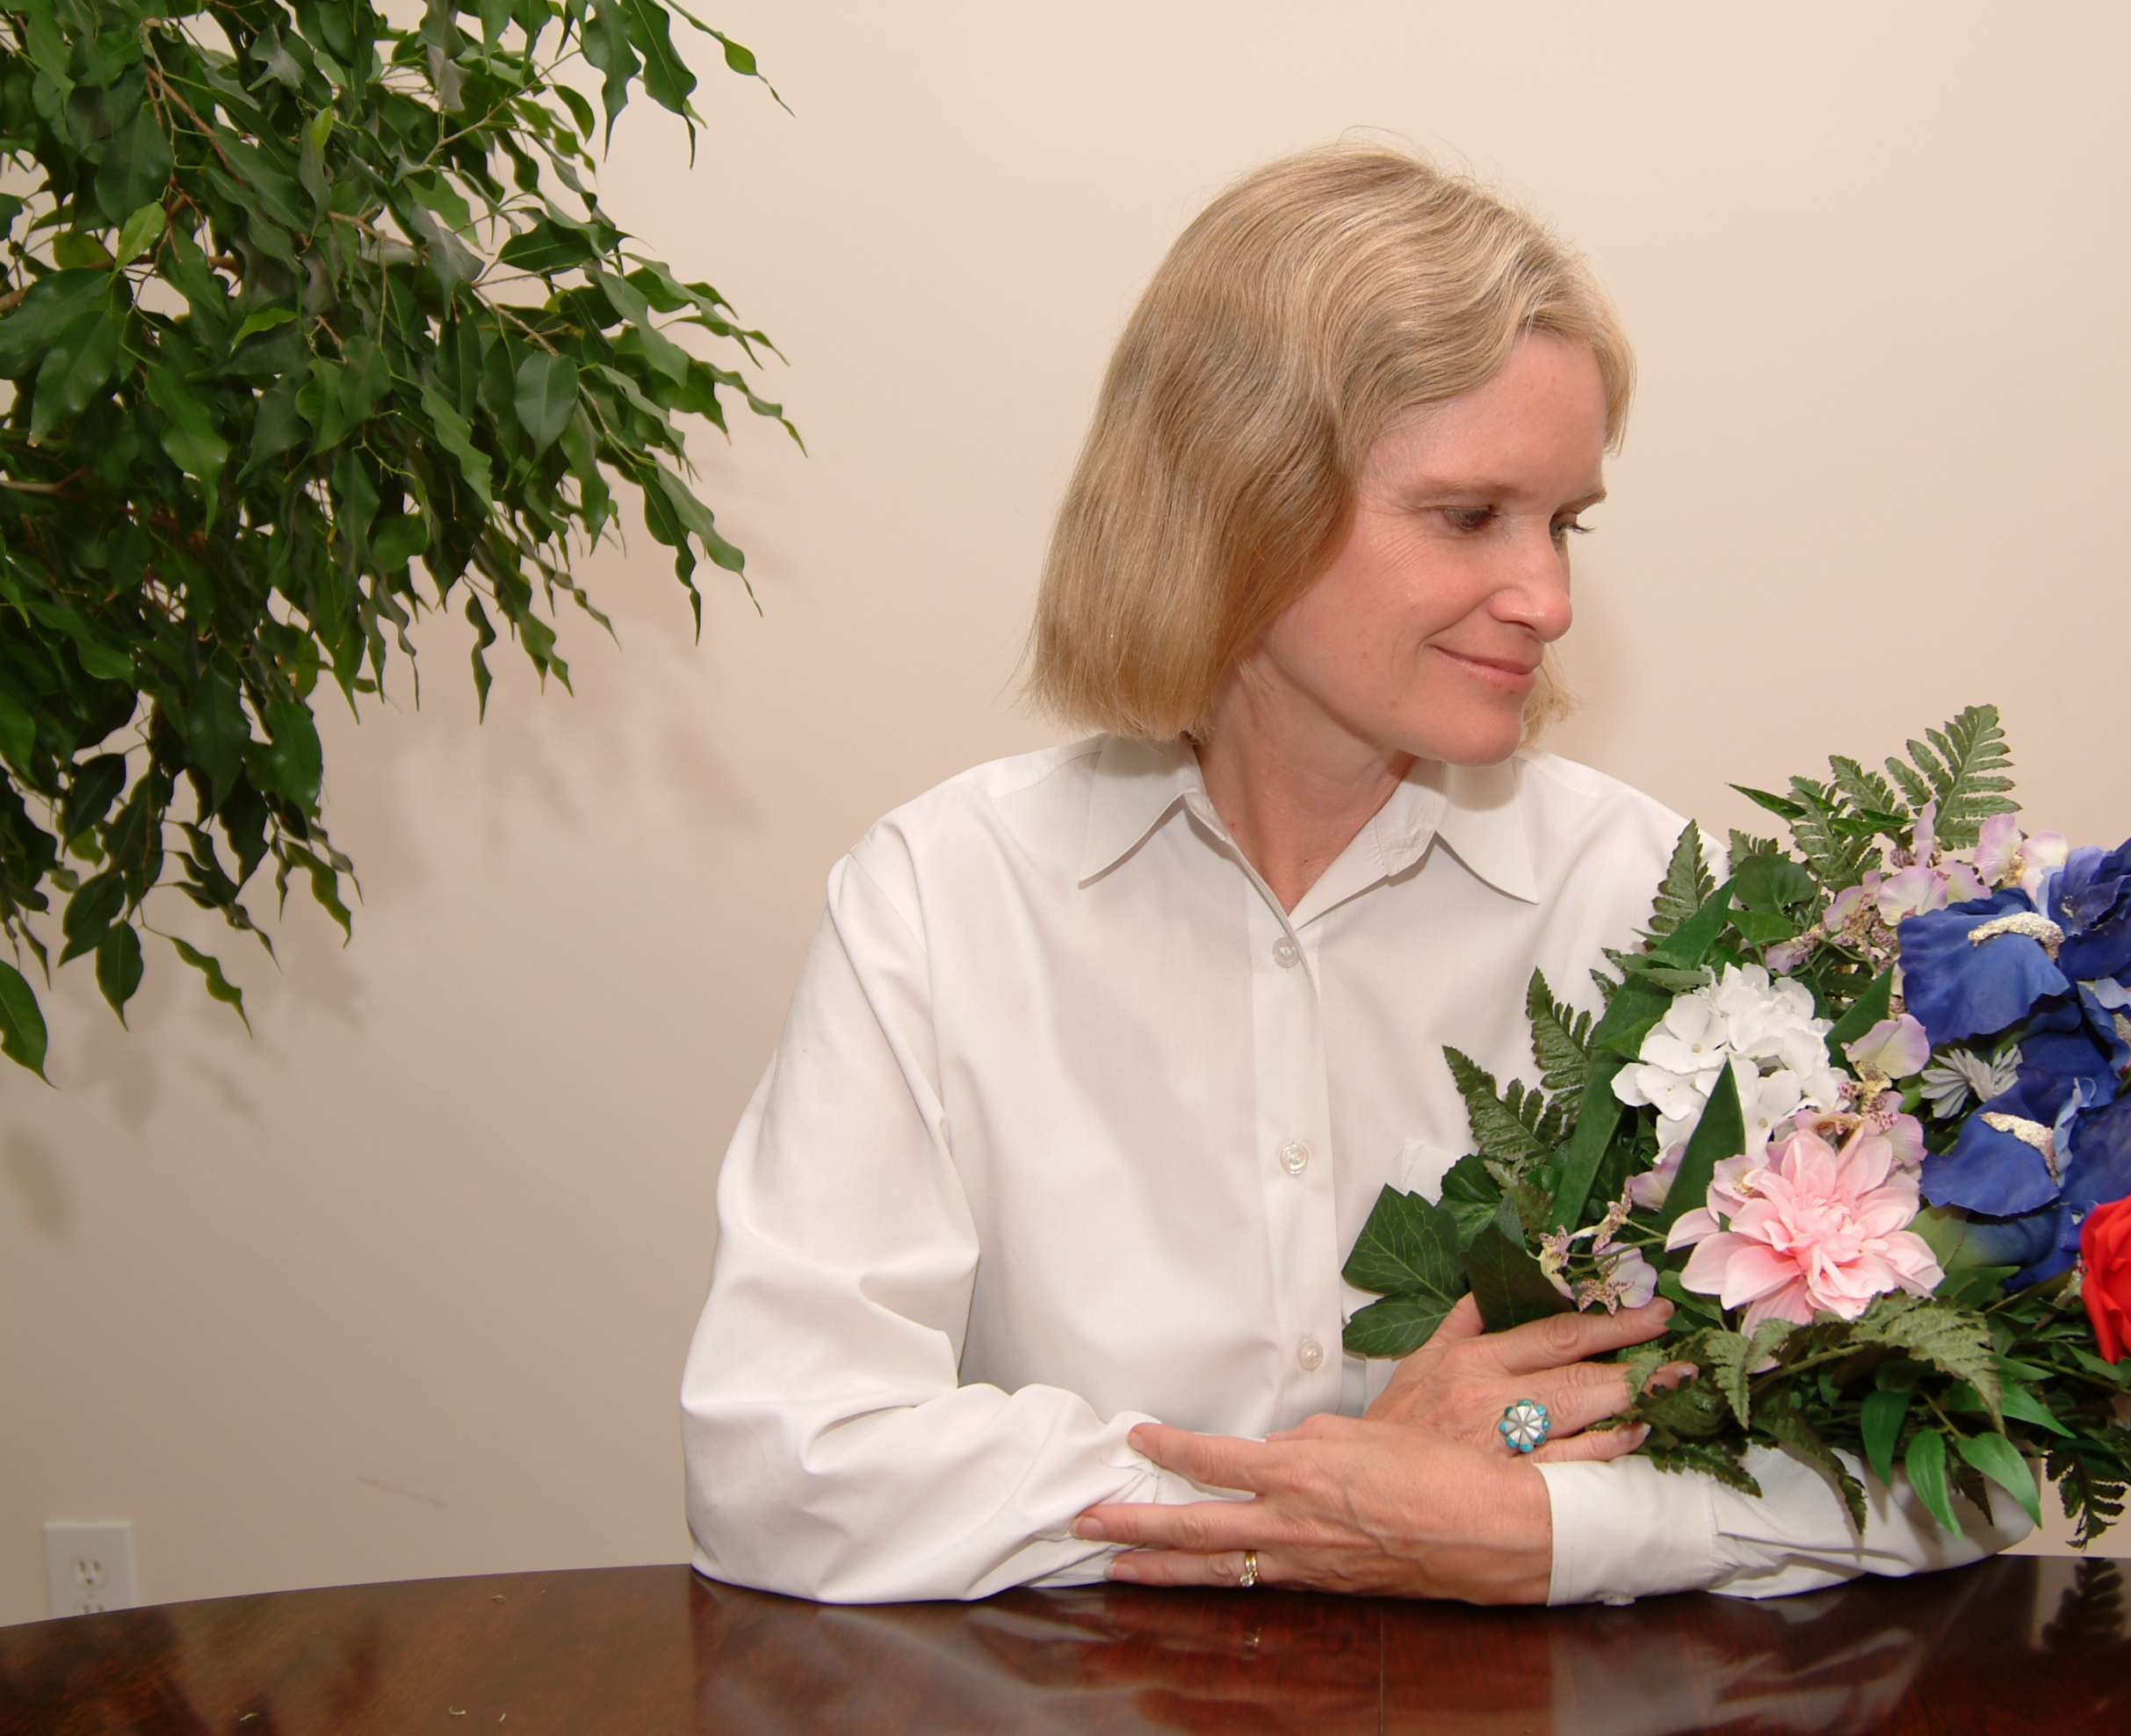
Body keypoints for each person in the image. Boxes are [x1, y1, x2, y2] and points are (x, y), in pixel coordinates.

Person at [679, 142, 2029, 1605]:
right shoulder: (944, 900)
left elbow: (1968, 1471)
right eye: (1469, 516)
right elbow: (780, 1464)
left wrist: (1545, 1529)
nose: (1550, 598)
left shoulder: (1657, 903)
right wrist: (1338, 1493)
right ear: (1238, 502)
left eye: (1564, 522)